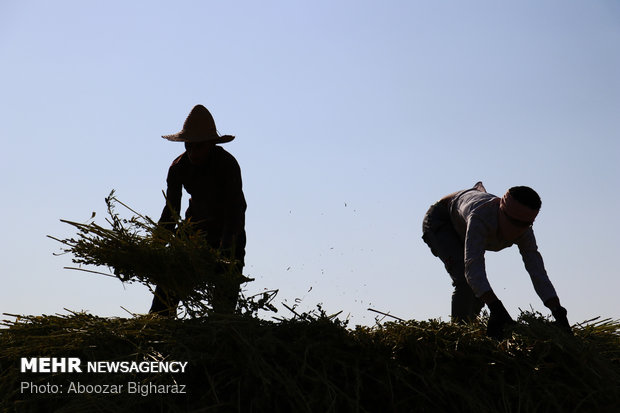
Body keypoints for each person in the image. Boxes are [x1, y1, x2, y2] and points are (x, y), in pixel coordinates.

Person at [422, 182, 571, 338]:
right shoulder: (480, 217)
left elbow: (537, 270)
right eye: (514, 222)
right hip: (442, 220)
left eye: (524, 224)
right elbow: (473, 267)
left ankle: (472, 333)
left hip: (463, 222)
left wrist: (557, 310)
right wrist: (496, 307)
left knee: (478, 295)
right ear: (502, 210)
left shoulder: (525, 231)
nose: (517, 230)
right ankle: (458, 337)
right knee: (465, 283)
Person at [149, 104, 247, 316]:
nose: (193, 152)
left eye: (199, 146)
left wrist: (225, 252)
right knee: (164, 296)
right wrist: (154, 248)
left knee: (223, 308)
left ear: (211, 144)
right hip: (194, 233)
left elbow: (235, 211)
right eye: (189, 146)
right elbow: (170, 213)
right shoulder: (178, 167)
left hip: (228, 234)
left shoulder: (227, 165)